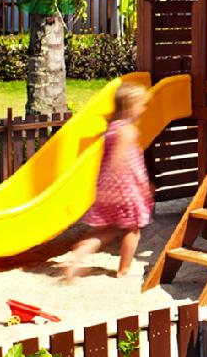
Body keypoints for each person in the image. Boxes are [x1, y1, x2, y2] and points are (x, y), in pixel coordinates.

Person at [64, 81, 154, 281]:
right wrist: (143, 186)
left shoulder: (112, 128)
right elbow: (126, 162)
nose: (143, 109)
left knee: (110, 229)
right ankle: (124, 270)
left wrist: (106, 186)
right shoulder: (127, 130)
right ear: (131, 106)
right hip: (126, 188)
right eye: (141, 104)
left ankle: (82, 250)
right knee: (133, 230)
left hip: (107, 186)